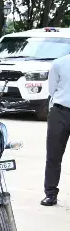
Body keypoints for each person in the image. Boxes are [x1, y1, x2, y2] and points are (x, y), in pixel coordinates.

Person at [43, 48, 70, 205]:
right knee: (53, 155)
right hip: (60, 112)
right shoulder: (59, 63)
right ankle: (50, 193)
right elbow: (52, 89)